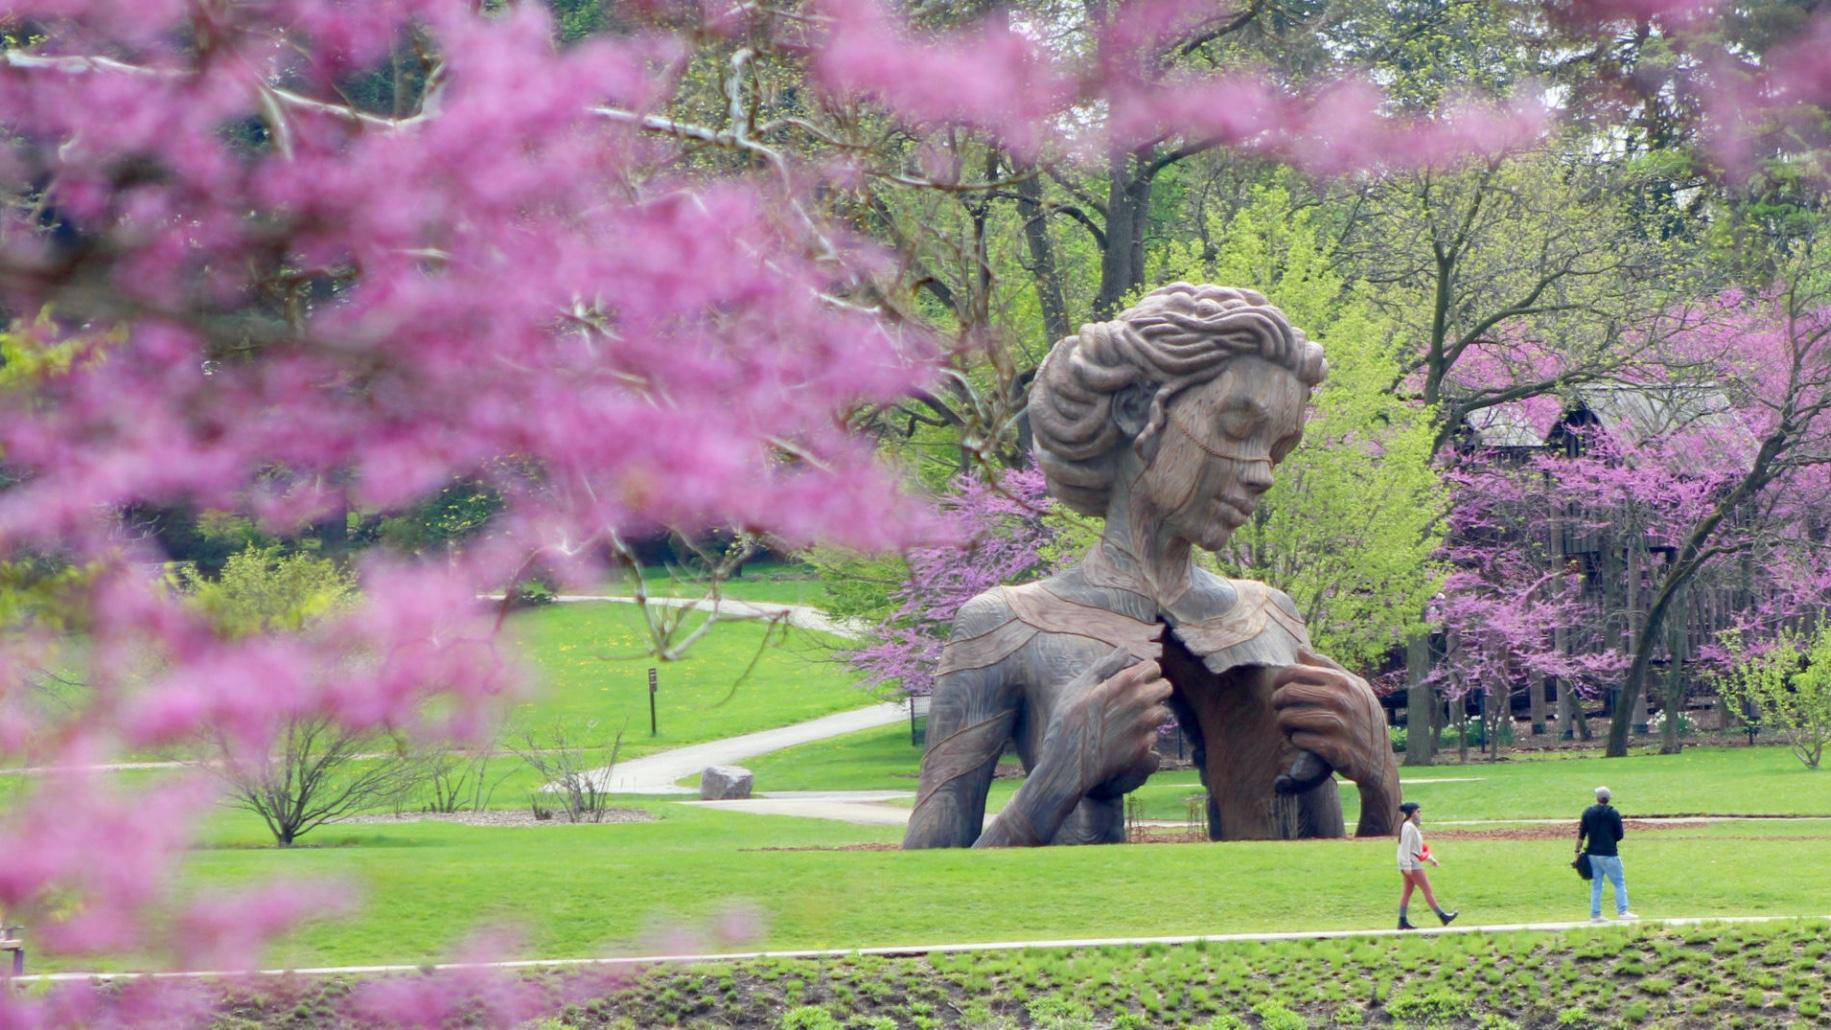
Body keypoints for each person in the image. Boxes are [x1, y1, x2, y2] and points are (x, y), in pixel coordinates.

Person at [899, 284, 1402, 849]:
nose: (1264, 473)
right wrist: (1055, 783)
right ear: (1138, 409)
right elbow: (924, 890)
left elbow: (1328, 900)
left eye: (1278, 447)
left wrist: (1380, 780)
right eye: (1239, 429)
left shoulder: (1272, 617)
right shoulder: (1005, 627)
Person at [1578, 786, 1638, 922]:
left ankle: (1595, 914)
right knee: (1619, 882)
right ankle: (1623, 911)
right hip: (1610, 853)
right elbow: (1620, 835)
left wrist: (1577, 852)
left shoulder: (1588, 813)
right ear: (1609, 799)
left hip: (1592, 854)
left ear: (1597, 798)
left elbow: (1581, 834)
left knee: (1597, 884)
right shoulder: (1614, 813)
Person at [1396, 801, 1457, 930]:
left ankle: (1402, 921)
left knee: (1407, 892)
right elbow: (1405, 847)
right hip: (1412, 864)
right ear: (1412, 813)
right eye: (1418, 811)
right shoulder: (1408, 827)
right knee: (1427, 890)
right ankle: (1442, 916)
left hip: (1410, 863)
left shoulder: (1411, 827)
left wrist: (1430, 859)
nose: (1420, 814)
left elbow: (1418, 848)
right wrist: (1406, 866)